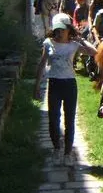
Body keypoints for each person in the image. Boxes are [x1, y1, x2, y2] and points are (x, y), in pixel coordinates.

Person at [34, 13, 97, 166]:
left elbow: (93, 52)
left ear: (69, 30)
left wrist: (80, 39)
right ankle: (56, 147)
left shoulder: (73, 45)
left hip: (69, 84)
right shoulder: (48, 43)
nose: (60, 33)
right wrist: (36, 86)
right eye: (57, 30)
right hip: (54, 83)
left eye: (63, 29)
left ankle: (68, 152)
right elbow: (42, 64)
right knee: (53, 119)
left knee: (69, 119)